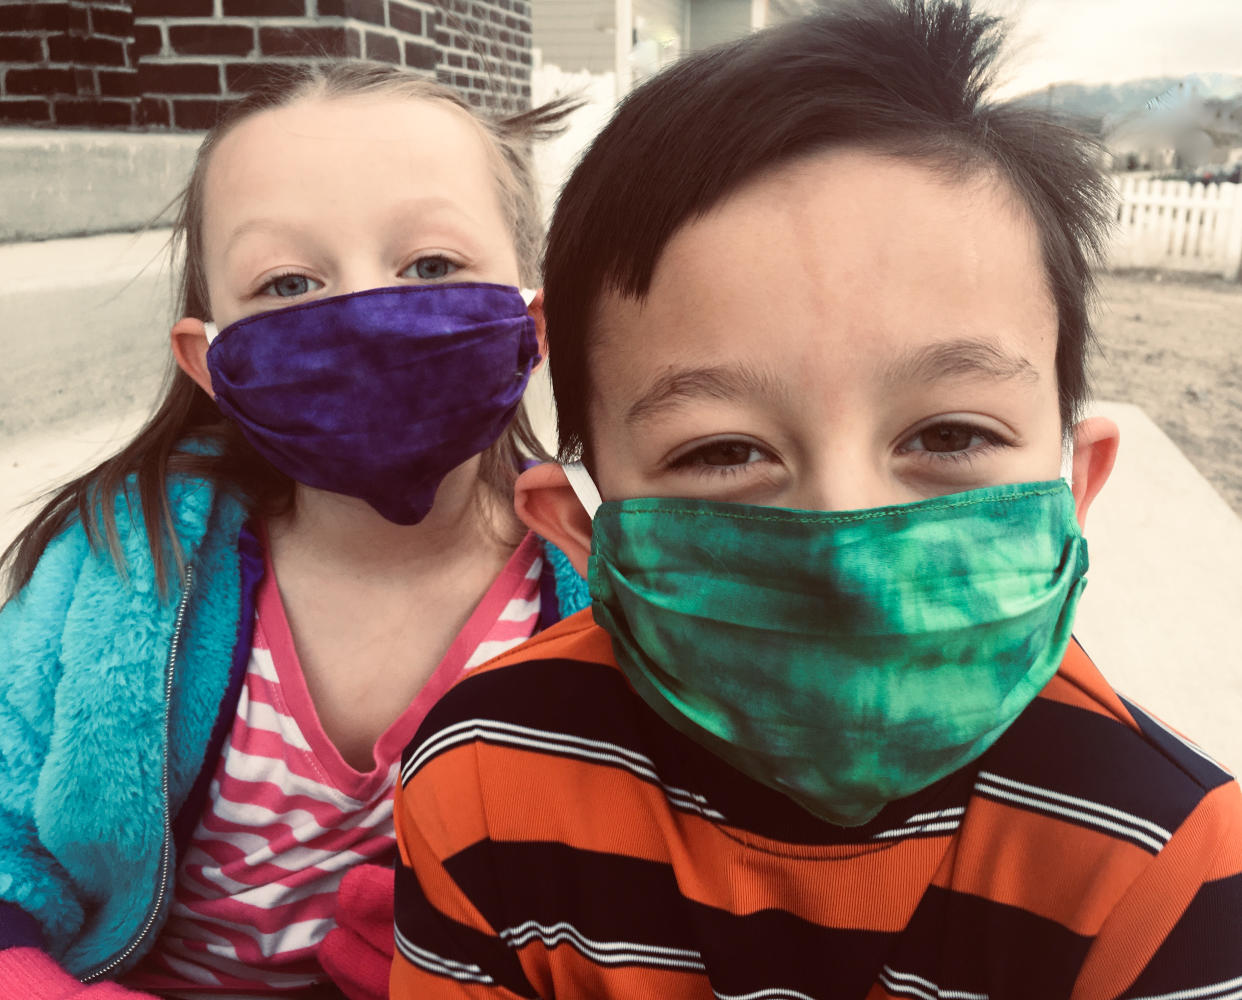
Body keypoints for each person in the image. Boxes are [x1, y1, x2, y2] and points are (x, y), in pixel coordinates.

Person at [388, 2, 1242, 997]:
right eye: (726, 450)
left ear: (1075, 486)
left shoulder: (1166, 857)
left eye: (948, 435)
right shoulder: (483, 777)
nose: (844, 540)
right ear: (583, 530)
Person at [0, 62, 587, 998]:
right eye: (287, 282)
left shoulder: (604, 587)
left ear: (534, 322)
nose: (361, 313)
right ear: (210, 361)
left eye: (430, 266)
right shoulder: (124, 557)